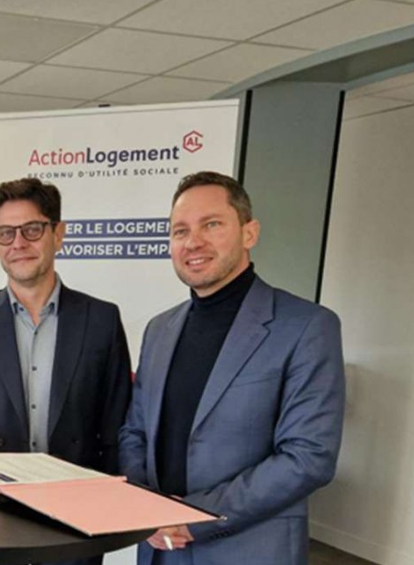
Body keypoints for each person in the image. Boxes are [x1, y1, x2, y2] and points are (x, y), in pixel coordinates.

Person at [119, 171, 345, 565]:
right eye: (180, 231)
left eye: (211, 225)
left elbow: (309, 456)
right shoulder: (159, 329)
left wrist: (197, 517)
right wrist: (145, 504)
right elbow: (134, 431)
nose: (193, 242)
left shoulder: (307, 326)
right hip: (160, 547)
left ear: (249, 233)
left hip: (247, 548)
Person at [0, 178, 131, 565]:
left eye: (32, 229)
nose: (18, 243)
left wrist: (110, 507)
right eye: (6, 233)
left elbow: (117, 422)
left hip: (75, 515)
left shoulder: (101, 319)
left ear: (58, 234)